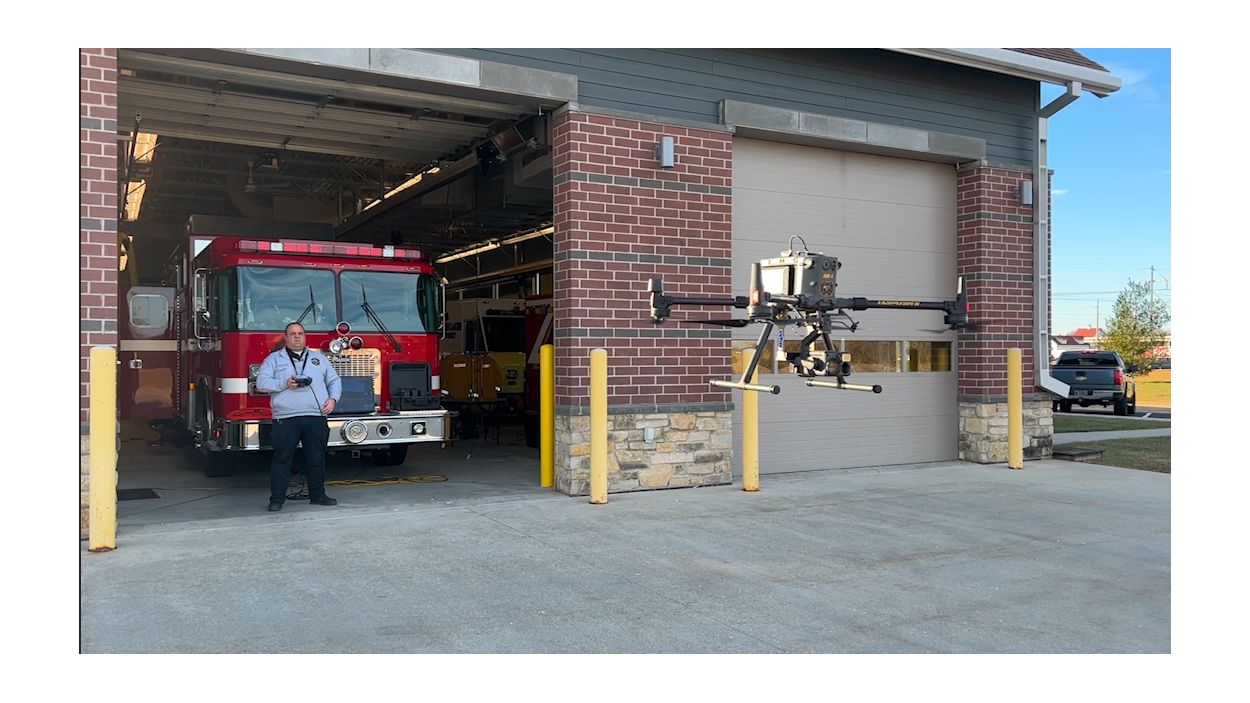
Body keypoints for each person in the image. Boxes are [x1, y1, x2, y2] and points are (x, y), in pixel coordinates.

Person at [255, 322, 342, 511]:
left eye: (300, 333)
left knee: (317, 457)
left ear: (305, 336)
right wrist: (284, 383)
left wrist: (333, 399)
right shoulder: (274, 359)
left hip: (315, 415)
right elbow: (261, 383)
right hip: (286, 417)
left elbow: (334, 380)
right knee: (282, 459)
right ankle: (277, 499)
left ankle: (318, 495)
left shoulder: (319, 359)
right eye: (292, 334)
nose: (297, 337)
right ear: (285, 337)